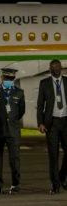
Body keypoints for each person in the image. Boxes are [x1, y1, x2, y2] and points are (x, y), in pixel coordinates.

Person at [0, 68, 25, 194]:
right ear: (2, 78)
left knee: (14, 158)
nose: (9, 81)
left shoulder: (19, 93)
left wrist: (12, 121)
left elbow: (21, 111)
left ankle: (16, 184)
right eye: (7, 79)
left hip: (13, 131)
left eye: (11, 79)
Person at [37, 59, 67, 194]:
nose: (55, 68)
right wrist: (40, 122)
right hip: (52, 123)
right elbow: (40, 105)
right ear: (49, 69)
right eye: (52, 66)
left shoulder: (66, 81)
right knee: (53, 155)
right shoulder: (44, 83)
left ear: (61, 68)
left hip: (66, 122)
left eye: (57, 66)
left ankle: (61, 176)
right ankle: (55, 185)